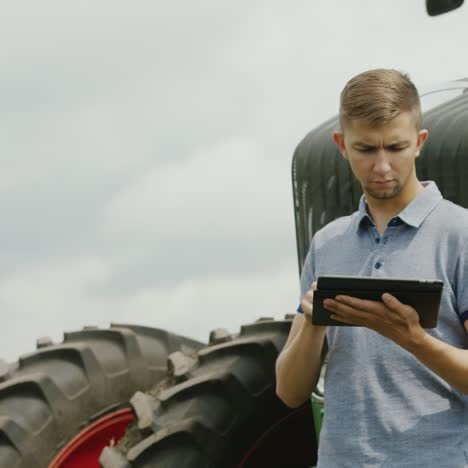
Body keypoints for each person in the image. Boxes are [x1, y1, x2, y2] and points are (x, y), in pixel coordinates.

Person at [275, 68, 468, 467]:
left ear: (419, 142)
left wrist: (412, 338)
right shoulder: (327, 243)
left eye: (395, 148)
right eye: (366, 150)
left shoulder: (460, 235)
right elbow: (289, 392)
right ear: (342, 145)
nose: (381, 166)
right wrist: (312, 325)